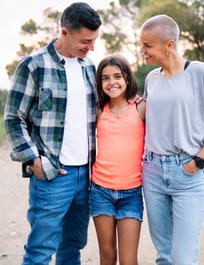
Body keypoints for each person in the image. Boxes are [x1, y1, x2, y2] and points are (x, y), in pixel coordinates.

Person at [4, 2, 102, 265]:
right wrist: (33, 160)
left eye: (94, 41)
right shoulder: (33, 66)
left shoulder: (89, 68)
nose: (90, 47)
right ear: (65, 32)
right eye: (85, 41)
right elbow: (14, 119)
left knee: (72, 246)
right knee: (40, 251)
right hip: (52, 175)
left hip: (86, 175)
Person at [139, 14, 204, 265]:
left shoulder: (200, 72)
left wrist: (197, 162)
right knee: (165, 255)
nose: (141, 51)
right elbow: (142, 117)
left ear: (169, 44)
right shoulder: (151, 79)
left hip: (188, 174)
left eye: (147, 45)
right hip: (153, 172)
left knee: (183, 258)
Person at [90, 55, 145, 265]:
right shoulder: (98, 110)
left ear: (127, 79)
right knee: (108, 256)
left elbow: (167, 131)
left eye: (117, 76)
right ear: (100, 83)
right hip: (100, 191)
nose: (111, 82)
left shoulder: (141, 108)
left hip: (131, 193)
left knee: (129, 260)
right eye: (105, 78)